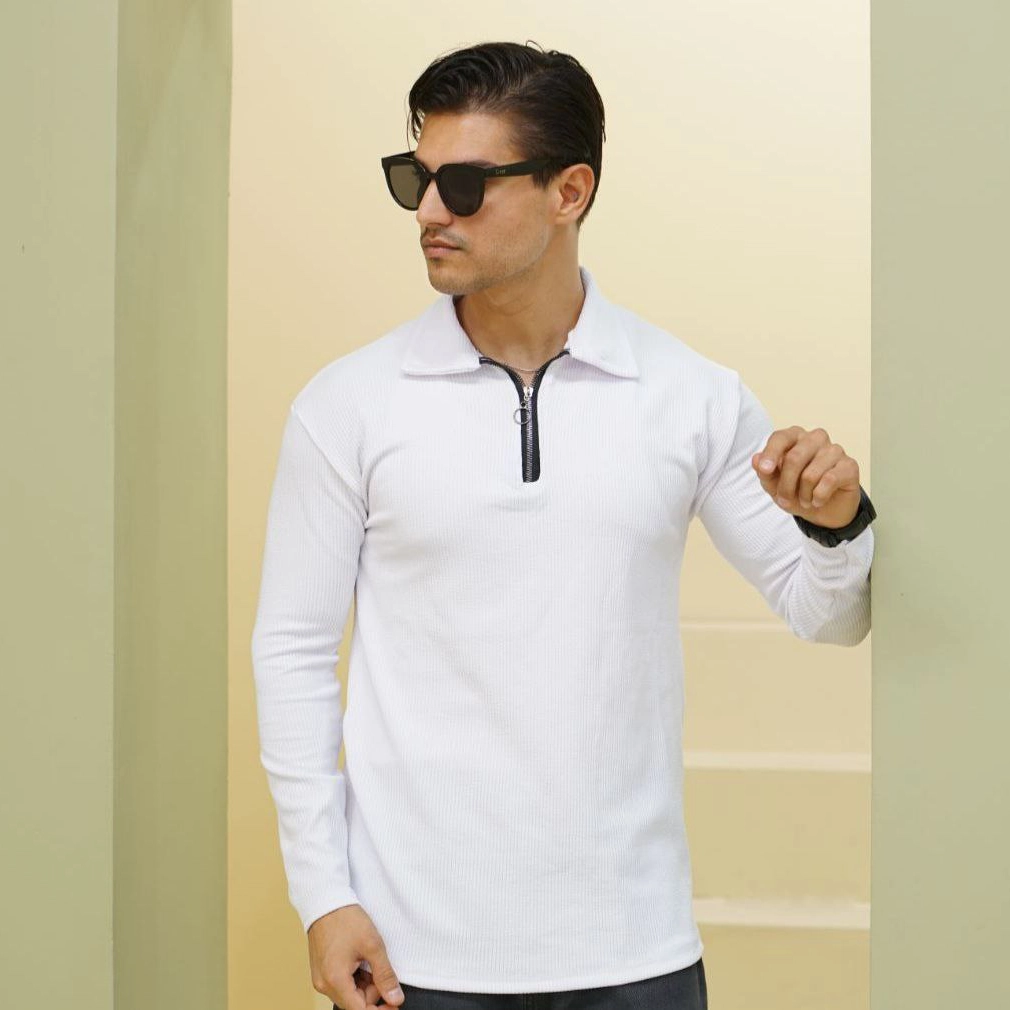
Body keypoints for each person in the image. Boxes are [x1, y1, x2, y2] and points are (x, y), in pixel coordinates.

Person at [250, 40, 876, 1010]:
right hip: (415, 957)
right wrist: (322, 894)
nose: (428, 211)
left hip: (635, 951)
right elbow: (292, 650)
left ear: (568, 192)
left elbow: (827, 615)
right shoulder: (348, 406)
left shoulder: (690, 397)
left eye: (463, 184)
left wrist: (833, 526)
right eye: (415, 177)